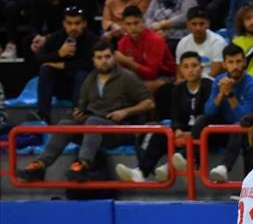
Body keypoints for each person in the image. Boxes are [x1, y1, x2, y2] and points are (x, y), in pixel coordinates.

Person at [17, 40, 154, 182]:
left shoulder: (127, 77)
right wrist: (78, 114)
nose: (104, 61)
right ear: (93, 60)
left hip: (120, 130)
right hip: (94, 129)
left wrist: (126, 111)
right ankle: (40, 165)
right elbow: (82, 108)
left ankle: (83, 165)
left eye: (107, 57)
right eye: (99, 58)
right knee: (65, 124)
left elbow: (149, 103)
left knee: (93, 122)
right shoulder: (89, 79)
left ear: (114, 57)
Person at [116, 50, 212, 182]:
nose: (190, 70)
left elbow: (209, 115)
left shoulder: (209, 86)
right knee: (161, 134)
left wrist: (191, 133)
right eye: (186, 66)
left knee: (200, 126)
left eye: (194, 66)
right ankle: (141, 171)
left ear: (201, 68)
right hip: (184, 131)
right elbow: (175, 115)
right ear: (180, 70)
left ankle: (170, 166)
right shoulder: (178, 89)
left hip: (205, 132)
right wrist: (177, 130)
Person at [202, 43, 253, 182]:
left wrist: (230, 95)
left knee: (240, 126)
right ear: (224, 64)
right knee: (201, 121)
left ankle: (224, 167)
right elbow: (208, 113)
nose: (235, 66)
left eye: (238, 61)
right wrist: (220, 94)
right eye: (231, 62)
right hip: (223, 132)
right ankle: (188, 157)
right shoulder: (218, 81)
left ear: (244, 62)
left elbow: (245, 117)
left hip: (245, 134)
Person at [33, 4, 96, 125]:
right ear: (64, 24)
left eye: (77, 23)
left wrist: (63, 65)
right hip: (61, 86)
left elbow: (91, 64)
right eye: (69, 23)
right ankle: (43, 115)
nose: (73, 27)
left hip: (84, 88)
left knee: (81, 74)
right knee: (46, 70)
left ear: (84, 23)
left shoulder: (91, 39)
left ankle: (77, 113)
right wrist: (59, 54)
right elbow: (38, 58)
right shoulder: (57, 37)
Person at [116, 5, 177, 96]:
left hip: (164, 75)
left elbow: (152, 74)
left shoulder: (156, 40)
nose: (132, 27)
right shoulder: (122, 43)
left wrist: (128, 62)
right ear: (123, 25)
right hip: (139, 77)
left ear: (143, 22)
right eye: (128, 24)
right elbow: (122, 72)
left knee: (145, 87)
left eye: (136, 23)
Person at [175, 6, 226, 79]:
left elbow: (215, 73)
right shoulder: (182, 43)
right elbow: (180, 73)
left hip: (210, 82)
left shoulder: (218, 42)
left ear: (208, 24)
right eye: (194, 24)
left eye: (201, 24)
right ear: (188, 25)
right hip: (189, 81)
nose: (198, 28)